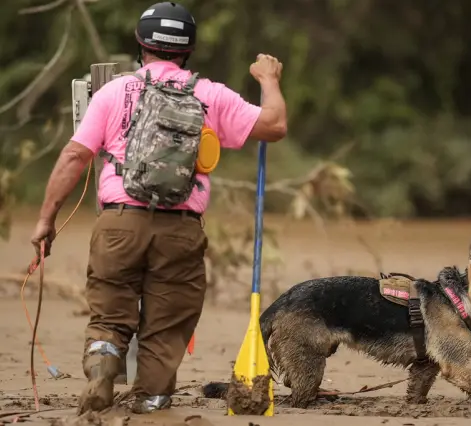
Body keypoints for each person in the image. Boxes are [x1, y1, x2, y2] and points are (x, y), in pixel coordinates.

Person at [29, 1, 287, 415]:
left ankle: (102, 369)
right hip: (180, 230)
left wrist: (46, 219)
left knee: (110, 311)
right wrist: (269, 79)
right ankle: (150, 397)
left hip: (118, 224)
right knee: (167, 325)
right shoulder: (210, 94)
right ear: (189, 49)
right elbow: (274, 126)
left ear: (140, 42)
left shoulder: (116, 91)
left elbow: (74, 156)